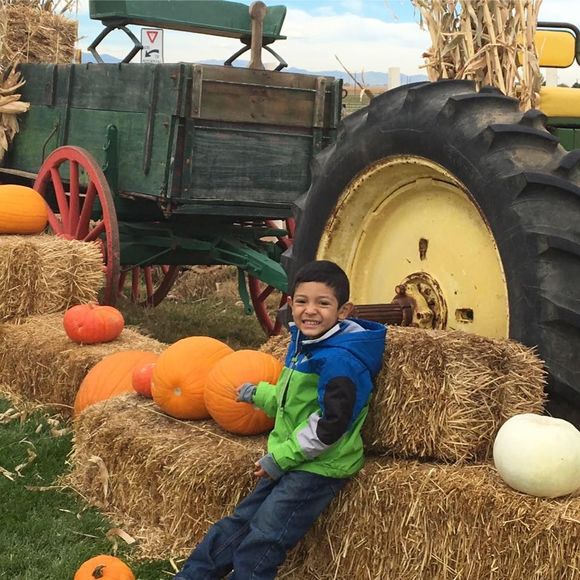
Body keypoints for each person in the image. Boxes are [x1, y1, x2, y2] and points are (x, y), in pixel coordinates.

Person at [174, 260, 386, 580]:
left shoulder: (341, 361)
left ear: (343, 311)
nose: (310, 310)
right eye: (302, 301)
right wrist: (259, 395)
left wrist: (281, 458)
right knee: (240, 522)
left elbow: (331, 425)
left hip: (319, 466)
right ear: (290, 303)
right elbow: (293, 401)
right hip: (292, 453)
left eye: (323, 303)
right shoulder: (304, 344)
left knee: (265, 533)